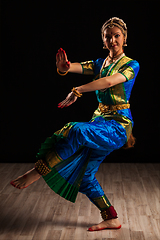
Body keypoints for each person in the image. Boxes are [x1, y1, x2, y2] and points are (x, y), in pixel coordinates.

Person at [10, 17, 140, 231]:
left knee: (75, 129)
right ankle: (111, 218)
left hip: (118, 126)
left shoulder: (131, 65)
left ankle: (38, 171)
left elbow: (108, 82)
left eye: (117, 35)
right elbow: (80, 67)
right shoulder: (100, 63)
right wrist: (65, 68)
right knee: (85, 176)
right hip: (100, 123)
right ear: (103, 40)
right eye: (108, 36)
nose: (113, 39)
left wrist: (78, 90)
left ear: (125, 39)